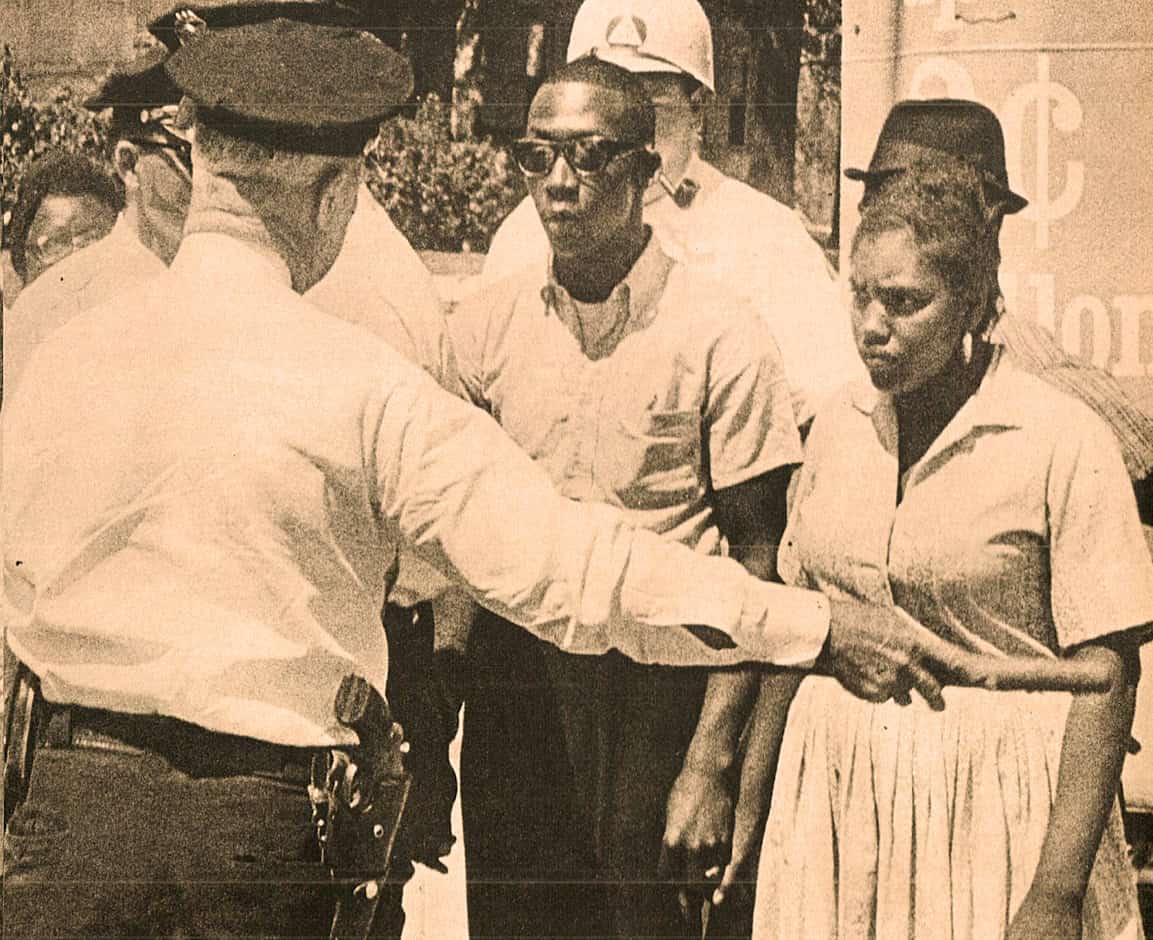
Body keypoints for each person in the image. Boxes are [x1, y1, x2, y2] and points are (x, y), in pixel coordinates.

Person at [2, 20, 1077, 940]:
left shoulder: (61, 353)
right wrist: (816, 625)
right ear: (334, 193)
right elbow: (571, 570)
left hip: (62, 817)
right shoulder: (359, 384)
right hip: (259, 842)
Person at [744, 102, 1153, 940]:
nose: (871, 326)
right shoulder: (836, 425)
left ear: (970, 297)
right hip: (837, 802)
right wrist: (744, 795)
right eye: (860, 297)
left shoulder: (1059, 431)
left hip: (998, 811)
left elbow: (1107, 678)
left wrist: (1054, 893)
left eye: (903, 302)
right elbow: (799, 621)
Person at [453, 56, 801, 939]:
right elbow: (452, 541)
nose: (558, 182)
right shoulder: (483, 329)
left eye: (590, 154)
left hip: (662, 695)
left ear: (645, 170)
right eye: (537, 155)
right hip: (520, 691)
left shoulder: (720, 333)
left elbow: (758, 557)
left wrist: (709, 762)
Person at [482, 0, 863, 428]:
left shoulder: (766, 237)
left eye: (649, 108)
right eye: (601, 107)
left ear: (697, 110)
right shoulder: (526, 234)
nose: (621, 133)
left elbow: (831, 407)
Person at [2, 51, 189, 393]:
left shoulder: (240, 292)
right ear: (129, 165)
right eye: (188, 158)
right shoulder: (51, 310)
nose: (212, 180)